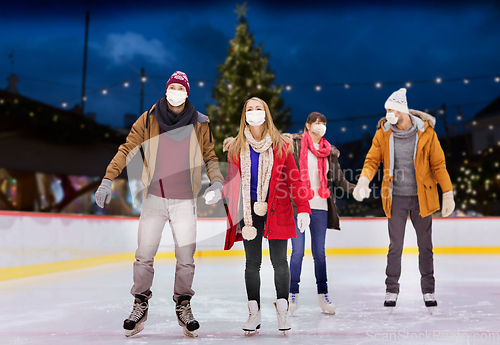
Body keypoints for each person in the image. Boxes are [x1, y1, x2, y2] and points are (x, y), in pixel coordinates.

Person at [94, 71, 224, 337]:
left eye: (181, 88)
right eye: (172, 87)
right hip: (154, 196)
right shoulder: (149, 118)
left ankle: (184, 304)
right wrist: (108, 178)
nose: (176, 91)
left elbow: (210, 156)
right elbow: (127, 148)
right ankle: (140, 303)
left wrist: (217, 182)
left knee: (186, 258)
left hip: (185, 200)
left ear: (188, 92)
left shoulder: (200, 122)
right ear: (167, 90)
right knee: (144, 255)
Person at [353, 88, 455, 310]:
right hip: (396, 197)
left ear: (401, 110)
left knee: (425, 246)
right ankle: (391, 289)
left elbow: (438, 165)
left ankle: (428, 290)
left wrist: (447, 192)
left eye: (391, 109)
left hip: (422, 197)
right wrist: (363, 181)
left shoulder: (427, 133)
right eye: (386, 110)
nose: (387, 113)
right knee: (395, 246)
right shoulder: (383, 133)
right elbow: (372, 160)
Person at [222, 97, 311, 335]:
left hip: (277, 209)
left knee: (280, 262)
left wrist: (302, 207)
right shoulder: (236, 146)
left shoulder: (281, 144)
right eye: (249, 109)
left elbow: (294, 178)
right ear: (244, 116)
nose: (254, 112)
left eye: (258, 108)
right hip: (248, 213)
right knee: (252, 263)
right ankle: (254, 313)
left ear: (266, 113)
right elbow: (230, 181)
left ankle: (282, 310)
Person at [285, 112, 355, 315]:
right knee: (297, 252)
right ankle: (292, 295)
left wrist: (356, 189)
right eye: (315, 123)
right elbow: (274, 140)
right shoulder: (295, 146)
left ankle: (323, 297)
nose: (319, 126)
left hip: (321, 207)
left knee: (319, 254)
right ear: (307, 125)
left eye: (323, 123)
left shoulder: (330, 153)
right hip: (299, 206)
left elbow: (340, 180)